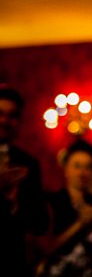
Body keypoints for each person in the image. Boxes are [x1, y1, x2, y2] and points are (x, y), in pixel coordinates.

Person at [36, 139, 92, 277]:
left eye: (87, 167)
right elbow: (45, 249)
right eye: (77, 166)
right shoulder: (52, 201)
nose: (82, 173)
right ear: (66, 169)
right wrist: (80, 224)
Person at [1, 85, 50, 277]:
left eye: (12, 116)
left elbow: (40, 224)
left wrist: (16, 205)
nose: (5, 121)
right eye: (0, 113)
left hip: (13, 262)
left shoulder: (28, 164)